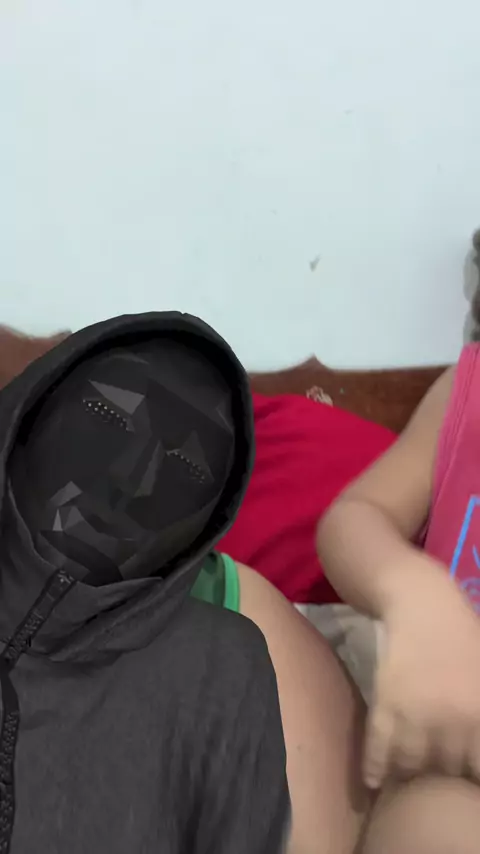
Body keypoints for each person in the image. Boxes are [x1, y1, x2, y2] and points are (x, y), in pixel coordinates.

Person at [0, 319, 370, 854]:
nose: (133, 481)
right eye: (109, 419)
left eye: (185, 467)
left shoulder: (226, 653)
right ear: (27, 414)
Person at [317, 339, 480, 853]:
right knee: (432, 825)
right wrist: (413, 592)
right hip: (451, 748)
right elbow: (356, 516)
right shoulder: (467, 386)